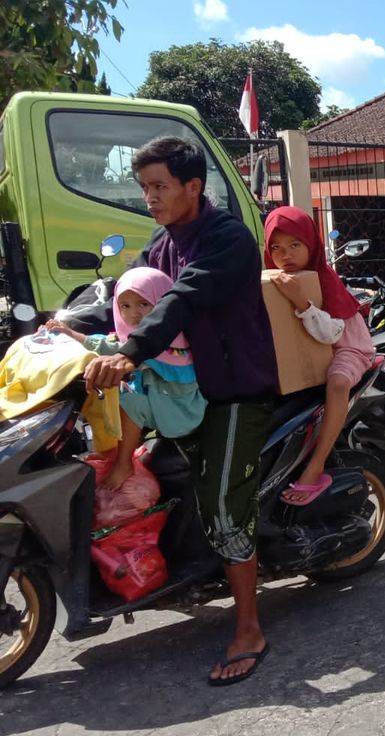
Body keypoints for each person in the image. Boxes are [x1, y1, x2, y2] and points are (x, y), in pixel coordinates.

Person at [83, 136, 279, 686]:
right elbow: (124, 294)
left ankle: (248, 629)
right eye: (143, 187)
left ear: (193, 186)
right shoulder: (160, 242)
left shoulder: (228, 238)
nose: (149, 197)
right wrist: (67, 325)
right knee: (155, 475)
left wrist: (129, 353)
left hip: (235, 390)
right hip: (181, 390)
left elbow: (180, 300)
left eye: (159, 186)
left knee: (222, 504)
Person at [46, 268, 206, 488]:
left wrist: (133, 362)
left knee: (128, 399)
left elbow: (122, 352)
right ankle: (112, 452)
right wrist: (70, 334)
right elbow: (108, 344)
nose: (134, 314)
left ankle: (123, 464)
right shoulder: (132, 339)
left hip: (181, 412)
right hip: (161, 404)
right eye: (126, 306)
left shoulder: (174, 342)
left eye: (144, 304)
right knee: (110, 393)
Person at [263, 207, 376, 504]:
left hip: (347, 347)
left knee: (337, 383)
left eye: (294, 245)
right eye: (276, 247)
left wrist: (301, 300)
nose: (284, 254)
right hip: (310, 355)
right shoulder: (269, 282)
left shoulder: (323, 279)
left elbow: (332, 334)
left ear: (311, 246)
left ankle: (316, 465)